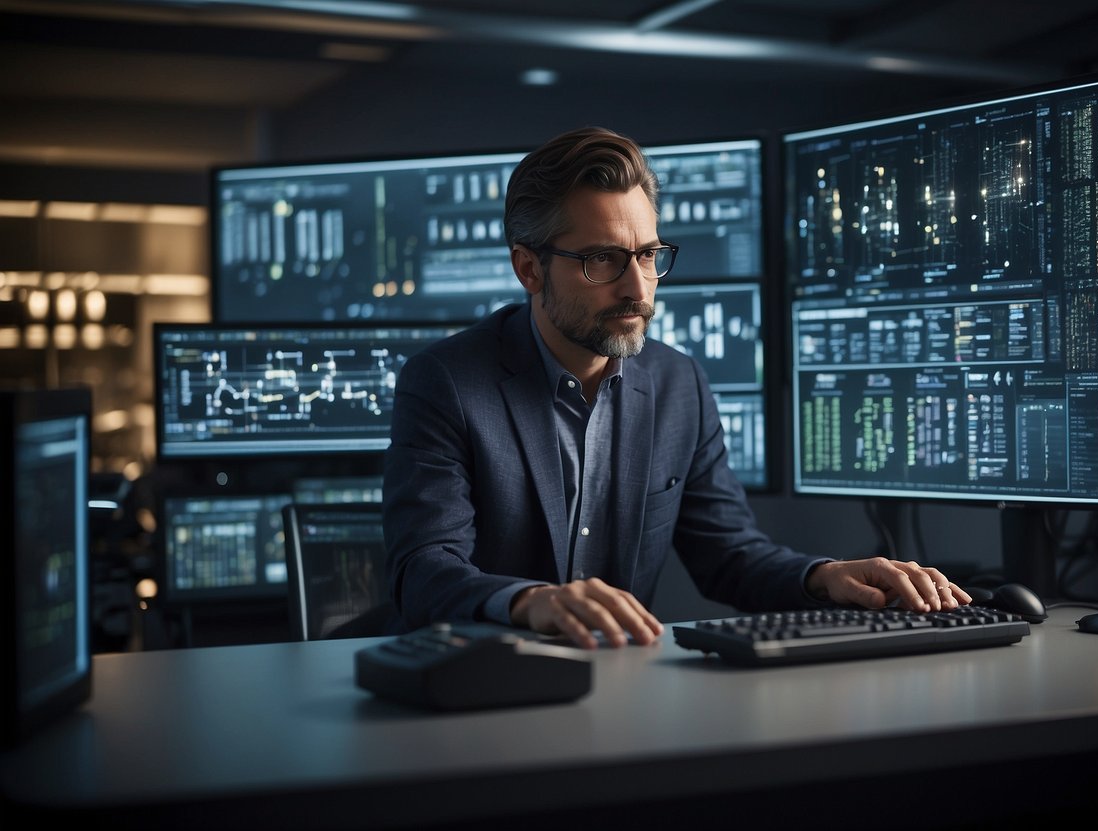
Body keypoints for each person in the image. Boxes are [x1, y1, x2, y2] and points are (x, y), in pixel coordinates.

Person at [383, 126, 971, 649]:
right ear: (529, 269)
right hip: (481, 691)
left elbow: (729, 555)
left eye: (647, 255)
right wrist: (527, 601)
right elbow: (424, 571)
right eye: (601, 261)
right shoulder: (447, 383)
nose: (637, 288)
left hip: (617, 695)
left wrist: (824, 575)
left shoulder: (677, 382)